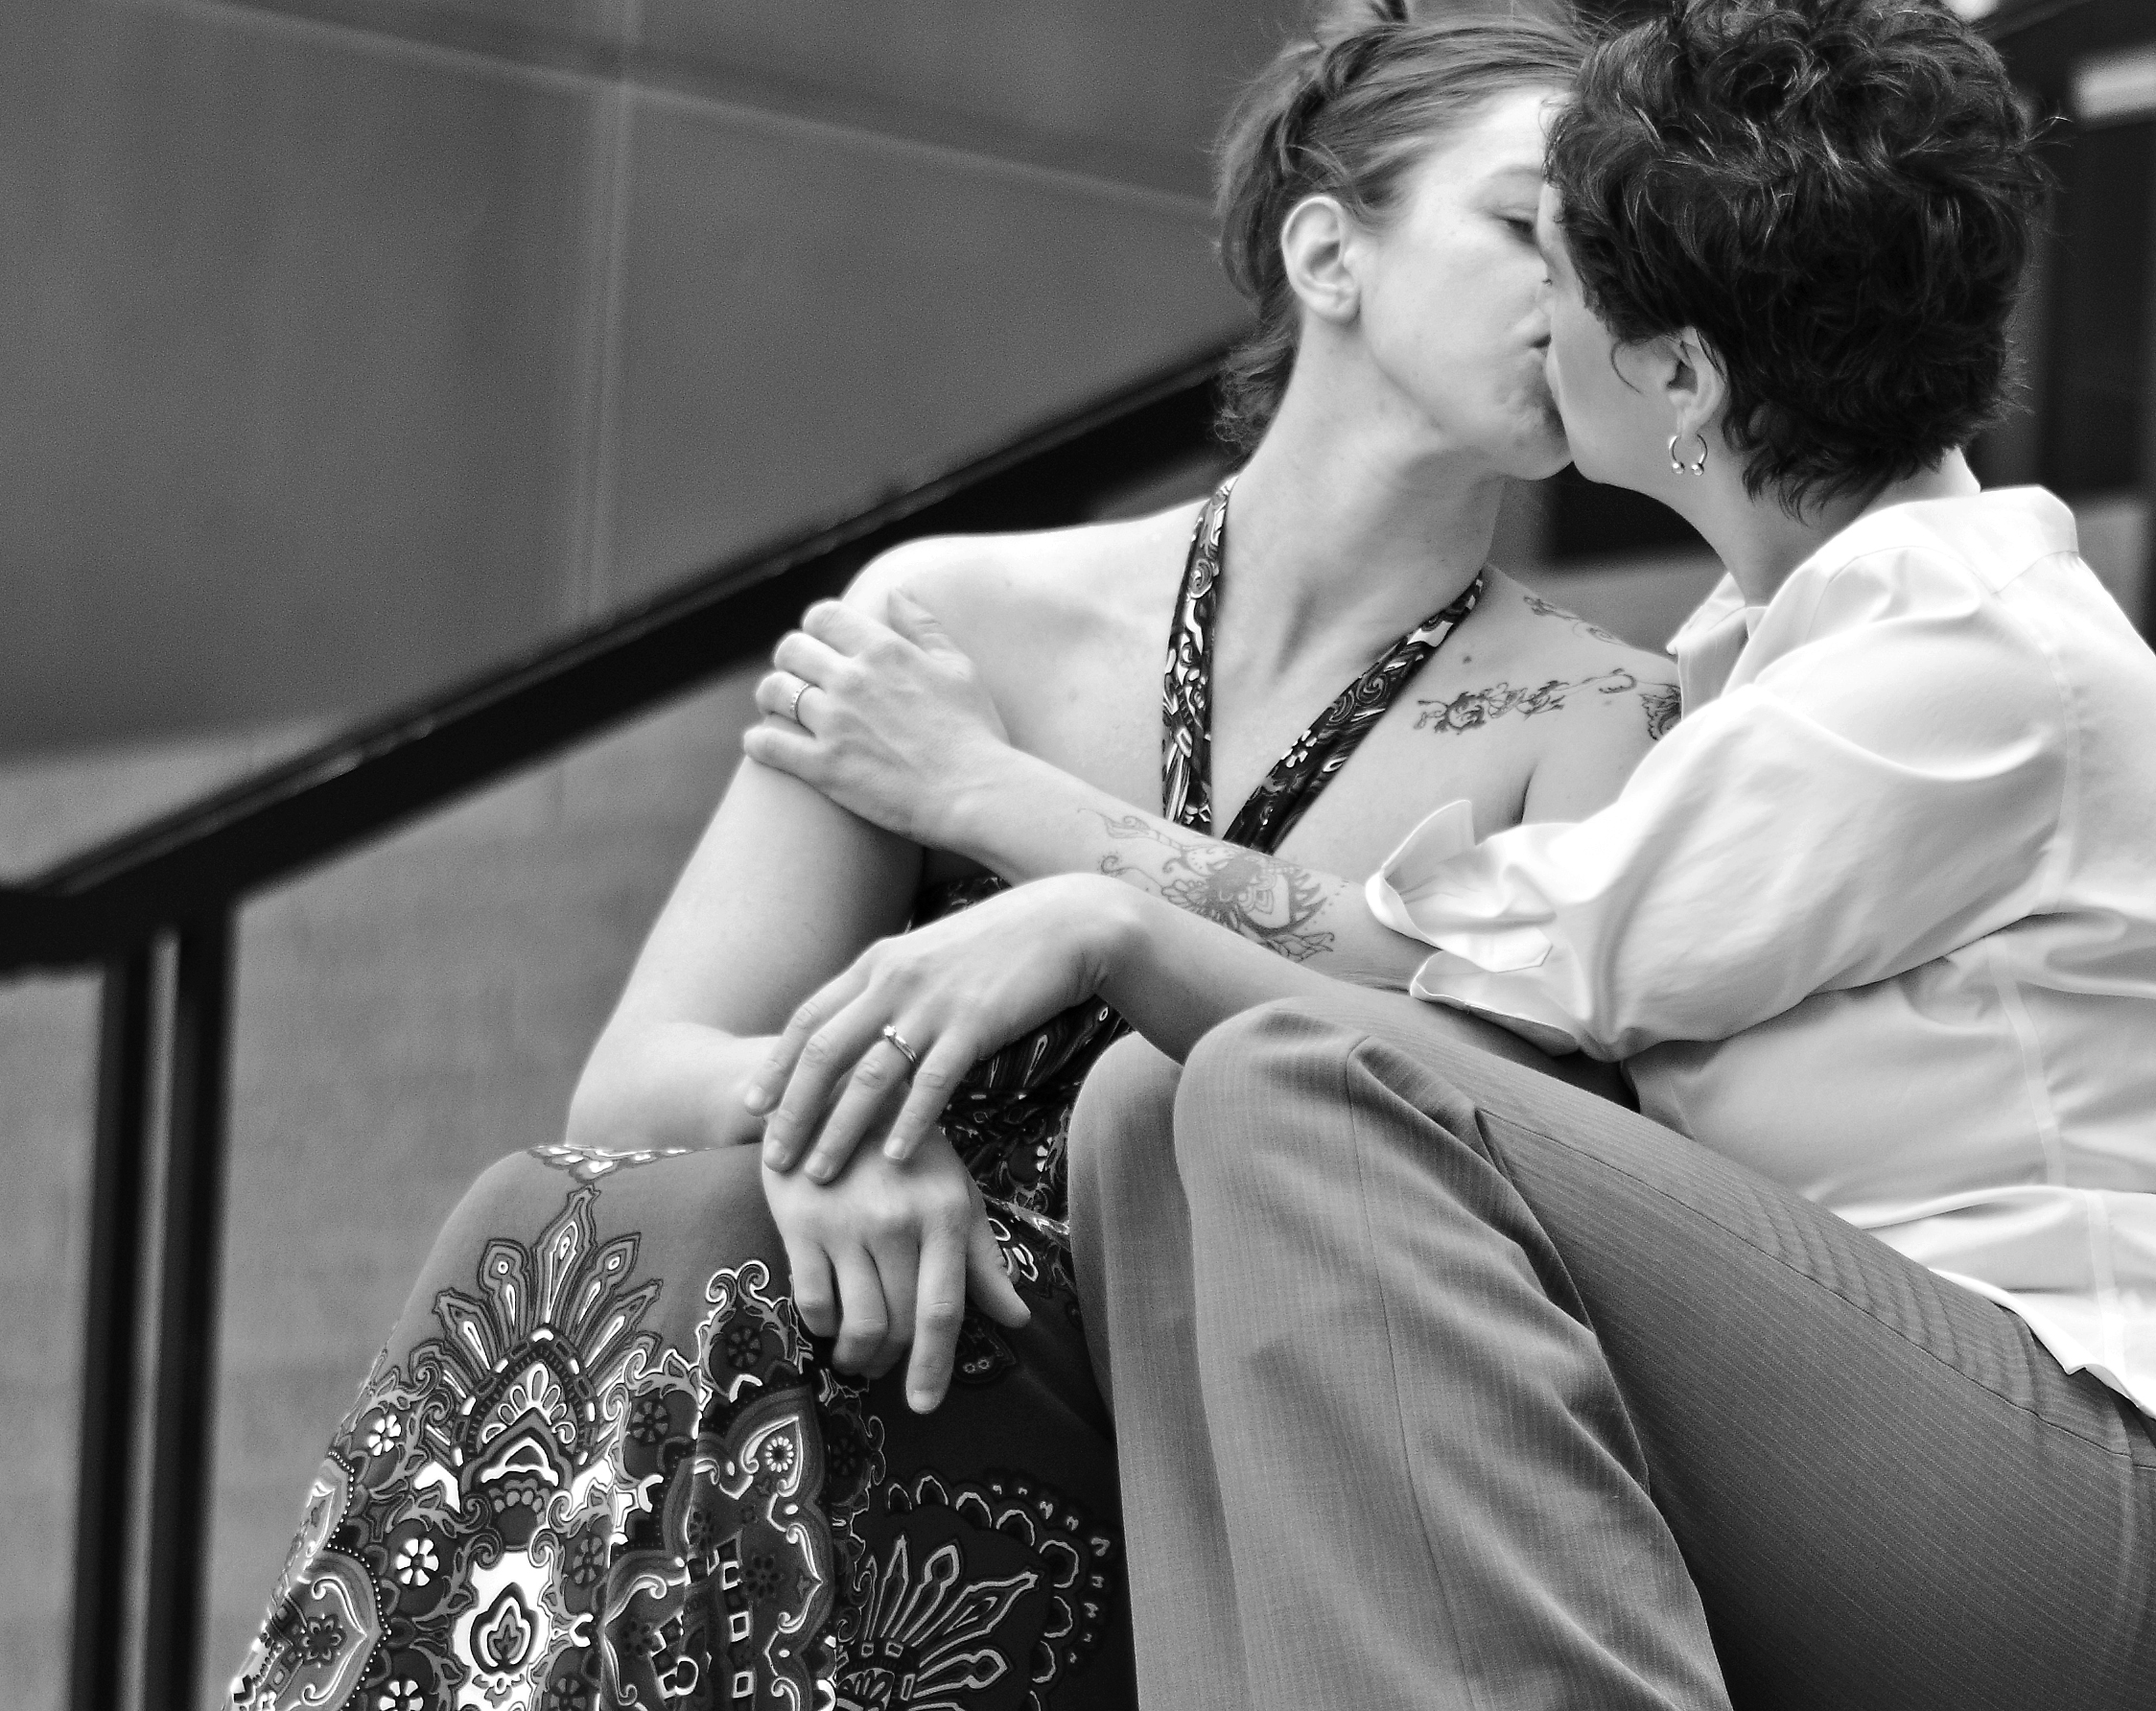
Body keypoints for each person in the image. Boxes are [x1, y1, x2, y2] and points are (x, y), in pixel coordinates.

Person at [223, 11, 1668, 1709]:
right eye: (1526, 227)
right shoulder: (949, 614)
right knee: (581, 1205)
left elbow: (1508, 1105)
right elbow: (642, 1071)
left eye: (1617, 254)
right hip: (847, 1333)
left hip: (1234, 1411)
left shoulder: (1602, 711)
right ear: (1328, 254)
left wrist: (991, 796)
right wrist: (842, 1130)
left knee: (732, 1281)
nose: (1582, 292)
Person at [740, 1, 2156, 1706]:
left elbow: (1456, 984)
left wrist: (1087, 900)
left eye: (1565, 265)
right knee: (1151, 1102)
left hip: (2071, 1472)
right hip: (1877, 1421)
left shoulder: (1959, 657)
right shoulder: (1790, 655)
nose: (1540, 310)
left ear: (1683, 381)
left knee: (1294, 1081)